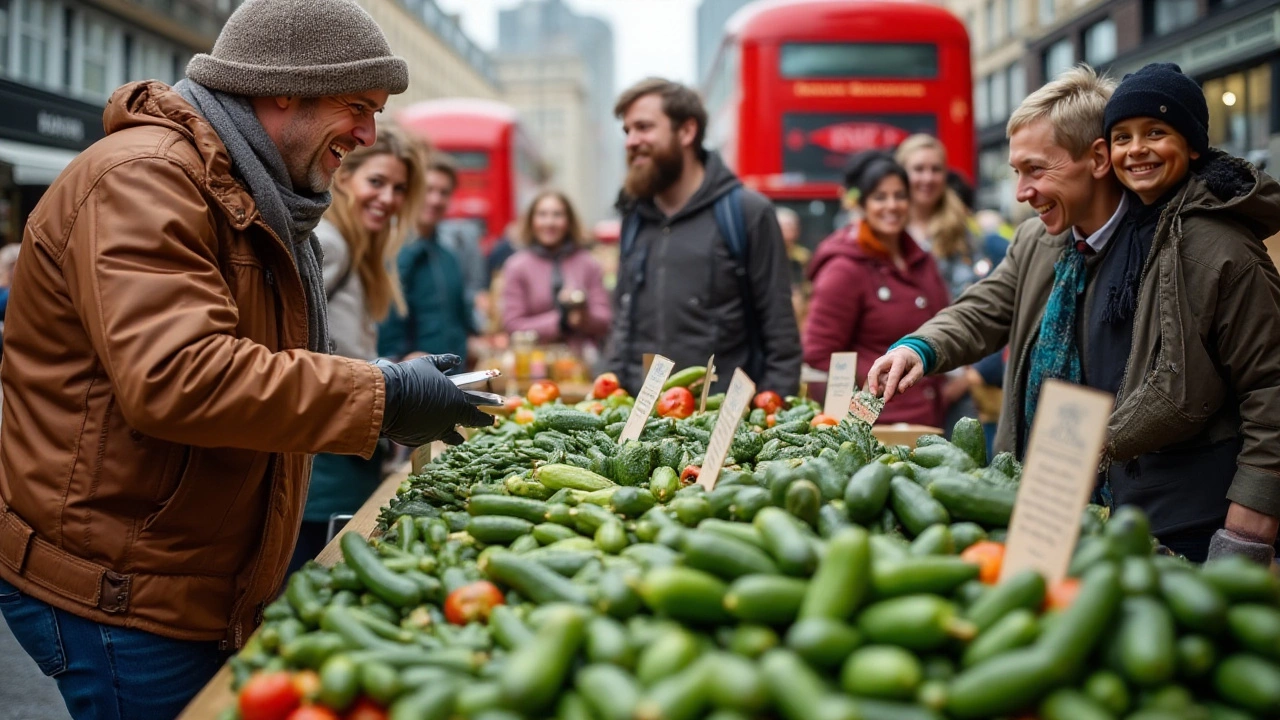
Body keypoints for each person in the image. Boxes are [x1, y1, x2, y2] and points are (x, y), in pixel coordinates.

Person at [0, 2, 492, 717]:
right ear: (282, 86)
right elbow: (179, 376)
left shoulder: (251, 189)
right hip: (120, 586)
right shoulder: (145, 180)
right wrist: (384, 393)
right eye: (357, 106)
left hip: (182, 573)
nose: (369, 134)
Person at [867, 64, 1280, 564]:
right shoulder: (1040, 240)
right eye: (1016, 172)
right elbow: (985, 306)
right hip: (1058, 513)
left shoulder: (1204, 247)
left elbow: (1270, 390)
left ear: (1099, 159)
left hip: (1177, 527)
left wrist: (1246, 533)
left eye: (1037, 170)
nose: (1021, 191)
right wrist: (920, 346)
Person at [288, 124, 428, 574]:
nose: (387, 198)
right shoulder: (330, 244)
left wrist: (396, 370)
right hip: (321, 467)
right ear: (345, 178)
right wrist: (391, 376)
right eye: (377, 182)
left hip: (341, 449)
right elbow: (291, 349)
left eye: (399, 188)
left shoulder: (357, 250)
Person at [606, 78, 801, 395]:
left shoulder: (748, 213)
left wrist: (770, 417)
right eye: (627, 131)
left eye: (643, 127)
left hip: (722, 423)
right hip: (638, 421)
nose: (631, 140)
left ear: (686, 131)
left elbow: (780, 330)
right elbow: (622, 320)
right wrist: (610, 390)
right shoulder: (634, 216)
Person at [802, 151, 949, 426]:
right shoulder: (844, 268)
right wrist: (880, 376)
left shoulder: (921, 259)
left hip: (930, 421)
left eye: (900, 195)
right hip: (879, 429)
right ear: (862, 204)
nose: (892, 205)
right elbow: (819, 354)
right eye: (880, 197)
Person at [379, 155, 476, 364]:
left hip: (452, 381)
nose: (435, 199)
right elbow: (385, 324)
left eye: (444, 192)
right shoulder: (387, 251)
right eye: (428, 190)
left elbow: (459, 322)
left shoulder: (449, 257)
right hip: (408, 383)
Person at [501, 190, 612, 363]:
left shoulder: (588, 263)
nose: (550, 222)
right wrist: (561, 320)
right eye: (542, 215)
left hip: (581, 365)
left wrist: (583, 315)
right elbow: (513, 325)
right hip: (533, 365)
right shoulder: (517, 266)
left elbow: (605, 319)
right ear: (531, 221)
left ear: (568, 221)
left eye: (557, 215)